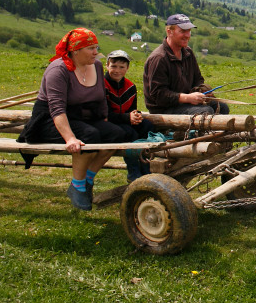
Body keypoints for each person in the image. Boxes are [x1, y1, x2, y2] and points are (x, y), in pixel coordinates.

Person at [19, 28, 137, 211]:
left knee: (118, 134)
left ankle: (88, 178)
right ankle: (78, 186)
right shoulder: (58, 70)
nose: (96, 52)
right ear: (75, 50)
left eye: (96, 47)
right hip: (50, 119)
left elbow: (100, 98)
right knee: (89, 136)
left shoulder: (96, 66)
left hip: (83, 116)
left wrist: (105, 119)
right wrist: (70, 138)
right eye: (90, 48)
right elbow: (57, 109)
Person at [143, 13, 229, 116]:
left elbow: (198, 79)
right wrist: (187, 98)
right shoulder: (159, 58)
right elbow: (158, 95)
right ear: (169, 32)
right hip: (165, 109)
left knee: (222, 107)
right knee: (206, 111)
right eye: (183, 31)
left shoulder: (188, 53)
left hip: (186, 103)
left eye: (189, 31)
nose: (187, 35)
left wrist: (202, 90)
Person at [104, 49, 157, 182]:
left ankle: (145, 166)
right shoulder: (102, 85)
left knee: (148, 126)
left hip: (124, 119)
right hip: (109, 122)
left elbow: (132, 109)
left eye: (122, 67)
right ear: (107, 66)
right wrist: (128, 118)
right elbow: (105, 113)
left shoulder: (130, 87)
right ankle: (133, 171)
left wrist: (135, 115)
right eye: (113, 66)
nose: (117, 70)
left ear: (127, 68)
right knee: (130, 134)